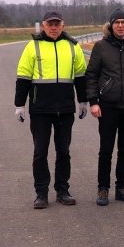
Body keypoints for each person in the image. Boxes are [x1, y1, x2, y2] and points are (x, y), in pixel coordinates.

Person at [14, 11, 88, 209]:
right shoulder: (33, 46)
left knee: (63, 152)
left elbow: (80, 75)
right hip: (40, 110)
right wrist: (19, 105)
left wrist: (83, 101)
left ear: (63, 25)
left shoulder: (73, 46)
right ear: (43, 26)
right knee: (40, 153)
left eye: (57, 24)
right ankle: (41, 193)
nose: (53, 27)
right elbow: (23, 77)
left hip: (64, 109)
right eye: (50, 24)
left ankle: (62, 191)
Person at [85, 8, 124, 206]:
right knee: (106, 149)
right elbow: (92, 76)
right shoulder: (101, 47)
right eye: (116, 22)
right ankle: (103, 188)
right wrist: (93, 102)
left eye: (123, 22)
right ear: (110, 26)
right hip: (108, 105)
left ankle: (121, 187)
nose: (120, 26)